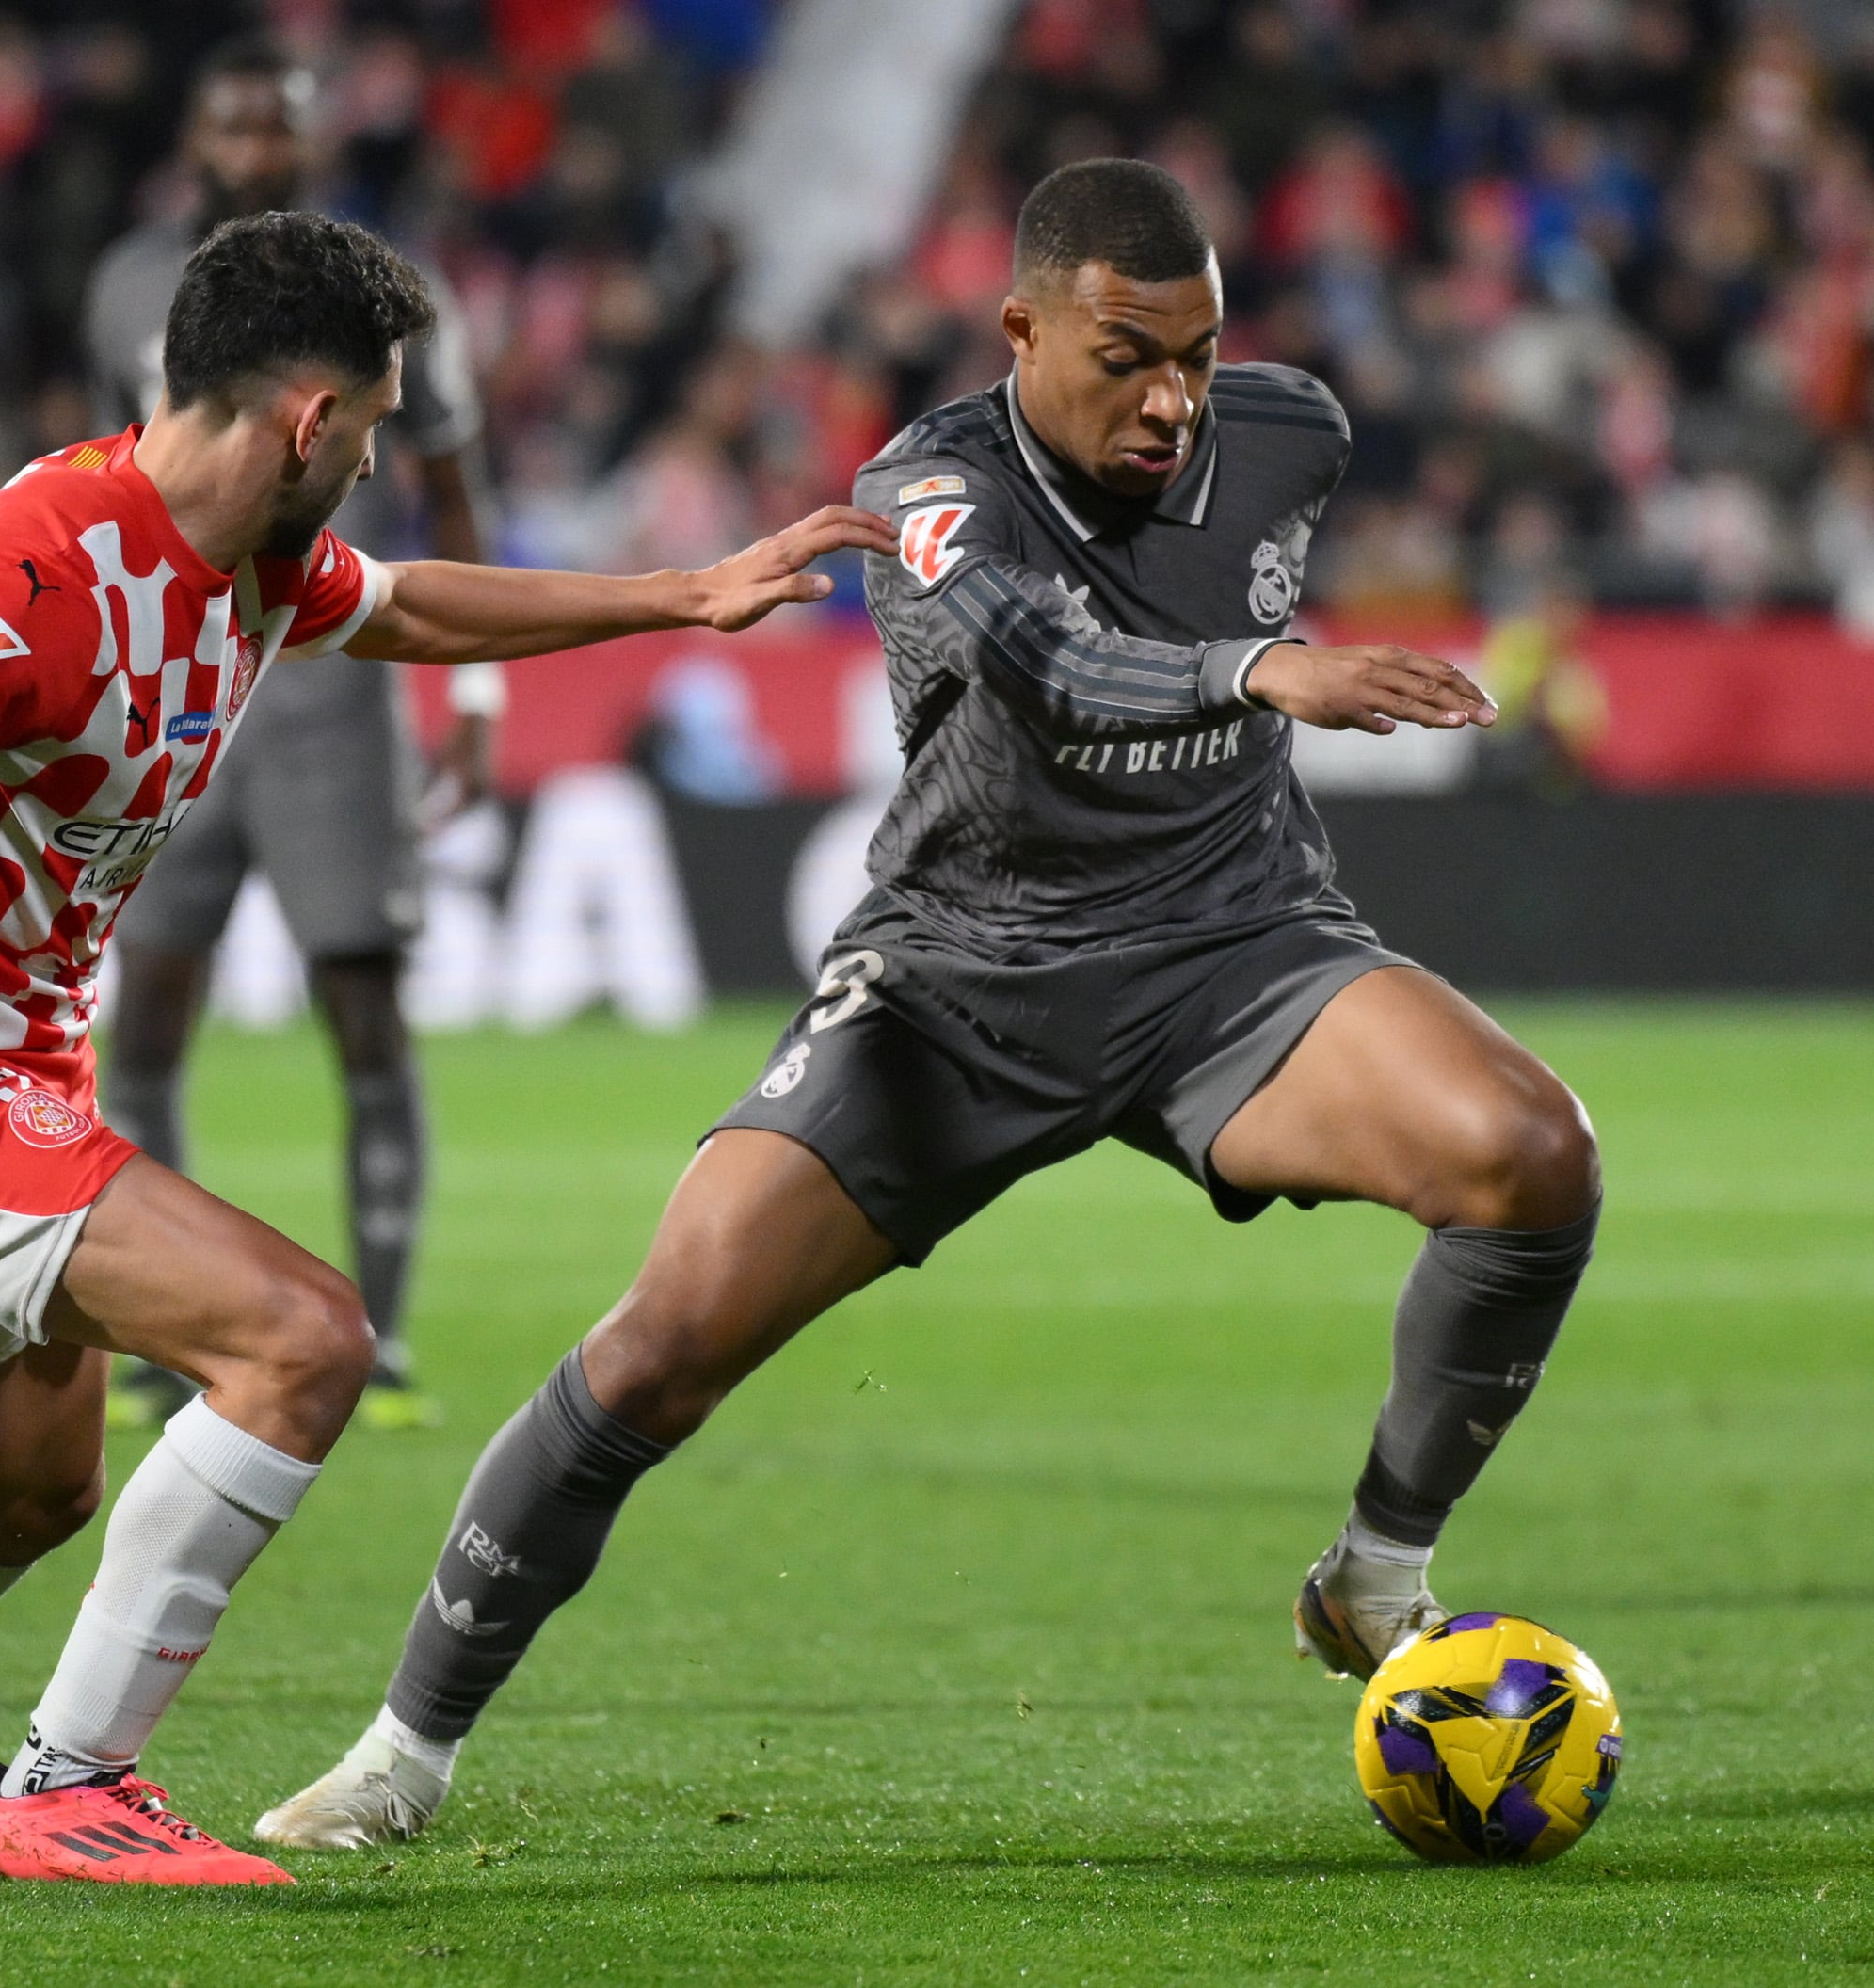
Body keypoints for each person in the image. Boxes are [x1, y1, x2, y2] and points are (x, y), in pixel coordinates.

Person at [0, 209, 891, 1886]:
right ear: (307, 419)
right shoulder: (29, 584)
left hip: (11, 1067)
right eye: (371, 425)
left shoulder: (251, 557)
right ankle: (66, 1783)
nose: (377, 462)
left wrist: (684, 594)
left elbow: (413, 605)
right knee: (303, 1341)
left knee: (21, 1493)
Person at [256, 160, 1602, 1852]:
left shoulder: (1292, 433)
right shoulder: (927, 487)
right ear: (1022, 329)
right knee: (662, 1346)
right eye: (1126, 357)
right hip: (961, 981)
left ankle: (1376, 1573)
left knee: (1531, 1155)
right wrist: (1258, 668)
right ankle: (400, 1756)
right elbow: (1041, 665)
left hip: (1232, 946)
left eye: (1197, 355)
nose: (1173, 401)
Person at [87, 36, 497, 1432]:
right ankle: (154, 1336)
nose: (256, 150)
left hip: (331, 691)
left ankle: (379, 1339)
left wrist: (477, 697)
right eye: (235, 126)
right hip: (176, 686)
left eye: (279, 128)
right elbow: (107, 478)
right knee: (147, 1006)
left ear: (314, 141)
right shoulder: (128, 286)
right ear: (197, 136)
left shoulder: (388, 293)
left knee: (364, 1007)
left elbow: (450, 487)